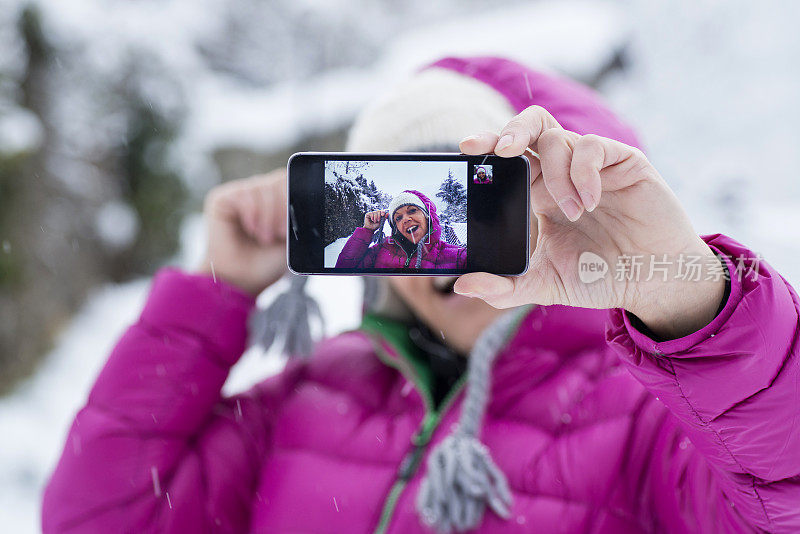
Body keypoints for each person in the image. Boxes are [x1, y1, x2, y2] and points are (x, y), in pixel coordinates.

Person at [42, 56, 800, 534]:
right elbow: (98, 519)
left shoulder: (654, 420)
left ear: (560, 207)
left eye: (474, 210)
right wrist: (211, 297)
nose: (438, 259)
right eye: (414, 216)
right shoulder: (305, 399)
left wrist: (686, 294)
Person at [335, 189, 467, 270]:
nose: (406, 219)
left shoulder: (458, 256)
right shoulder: (380, 251)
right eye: (398, 218)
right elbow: (343, 270)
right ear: (395, 227)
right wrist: (366, 231)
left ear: (427, 216)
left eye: (412, 210)